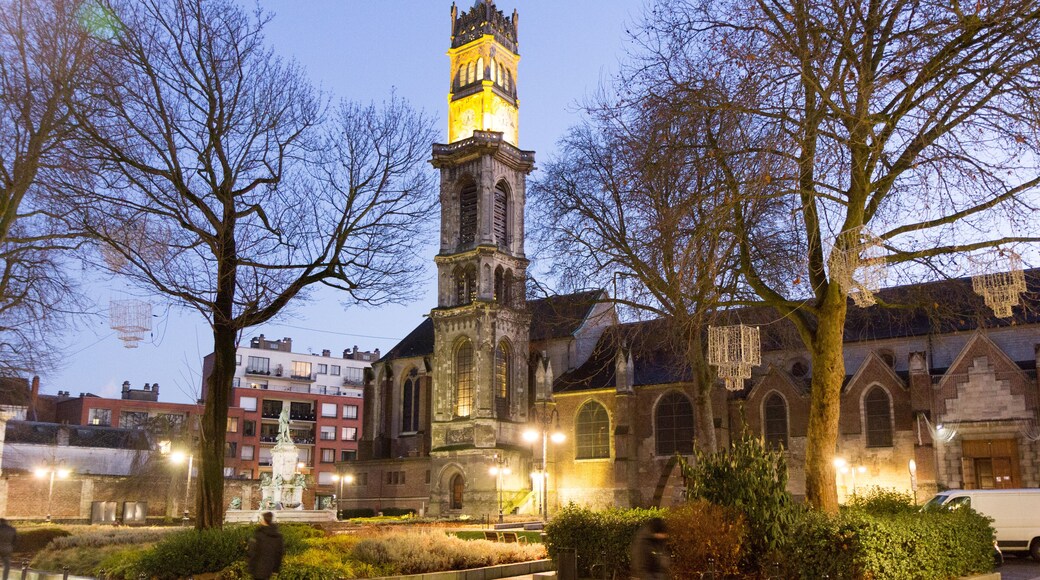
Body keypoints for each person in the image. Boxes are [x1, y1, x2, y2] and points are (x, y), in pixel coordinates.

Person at [247, 511, 284, 580]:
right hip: (268, 569)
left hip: (257, 568)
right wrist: (275, 569)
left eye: (261, 519)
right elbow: (279, 553)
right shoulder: (277, 535)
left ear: (264, 521)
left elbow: (253, 551)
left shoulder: (259, 534)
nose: (260, 520)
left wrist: (250, 567)